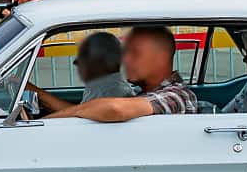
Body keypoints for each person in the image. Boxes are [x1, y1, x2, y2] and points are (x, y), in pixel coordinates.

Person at [47, 25, 196, 120]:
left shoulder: (177, 95)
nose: (125, 60)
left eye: (135, 53)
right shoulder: (141, 92)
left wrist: (46, 121)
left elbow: (114, 109)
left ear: (161, 57)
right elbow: (84, 111)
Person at [26, 31, 131, 113]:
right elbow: (79, 111)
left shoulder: (110, 90)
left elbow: (78, 114)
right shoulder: (102, 85)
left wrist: (34, 90)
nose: (77, 65)